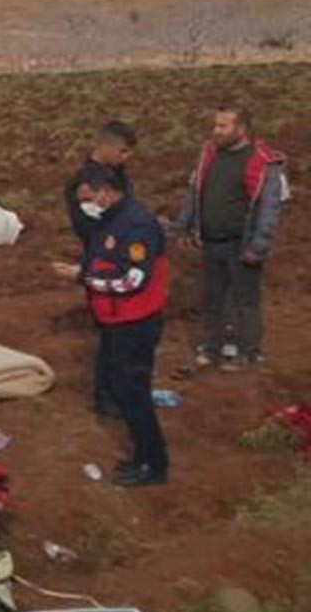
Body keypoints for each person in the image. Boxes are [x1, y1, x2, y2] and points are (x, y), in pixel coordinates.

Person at [53, 165, 169, 486]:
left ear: (108, 191)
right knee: (124, 390)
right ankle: (143, 456)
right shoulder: (112, 220)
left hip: (134, 322)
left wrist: (81, 277)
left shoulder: (136, 226)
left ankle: (154, 463)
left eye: (92, 195)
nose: (89, 202)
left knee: (133, 392)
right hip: (116, 319)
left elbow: (132, 279)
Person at [176, 105, 289, 369]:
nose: (216, 131)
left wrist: (259, 245)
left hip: (243, 242)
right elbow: (195, 192)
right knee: (212, 298)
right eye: (216, 125)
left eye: (223, 126)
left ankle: (247, 352)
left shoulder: (262, 162)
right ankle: (212, 348)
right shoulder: (209, 156)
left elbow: (269, 208)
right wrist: (184, 226)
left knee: (244, 300)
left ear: (241, 129)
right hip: (212, 241)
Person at [64, 119, 136, 241]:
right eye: (123, 151)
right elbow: (96, 227)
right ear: (104, 146)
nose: (127, 157)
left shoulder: (114, 172)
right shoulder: (88, 181)